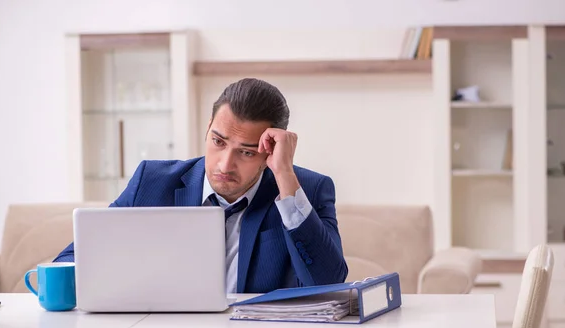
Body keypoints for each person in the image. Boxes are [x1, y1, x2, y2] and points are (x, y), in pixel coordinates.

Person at [54, 78, 348, 293]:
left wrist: (284, 175)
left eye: (246, 152)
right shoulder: (153, 183)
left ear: (270, 149)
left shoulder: (304, 190)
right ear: (208, 129)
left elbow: (328, 282)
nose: (224, 165)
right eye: (218, 142)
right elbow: (72, 259)